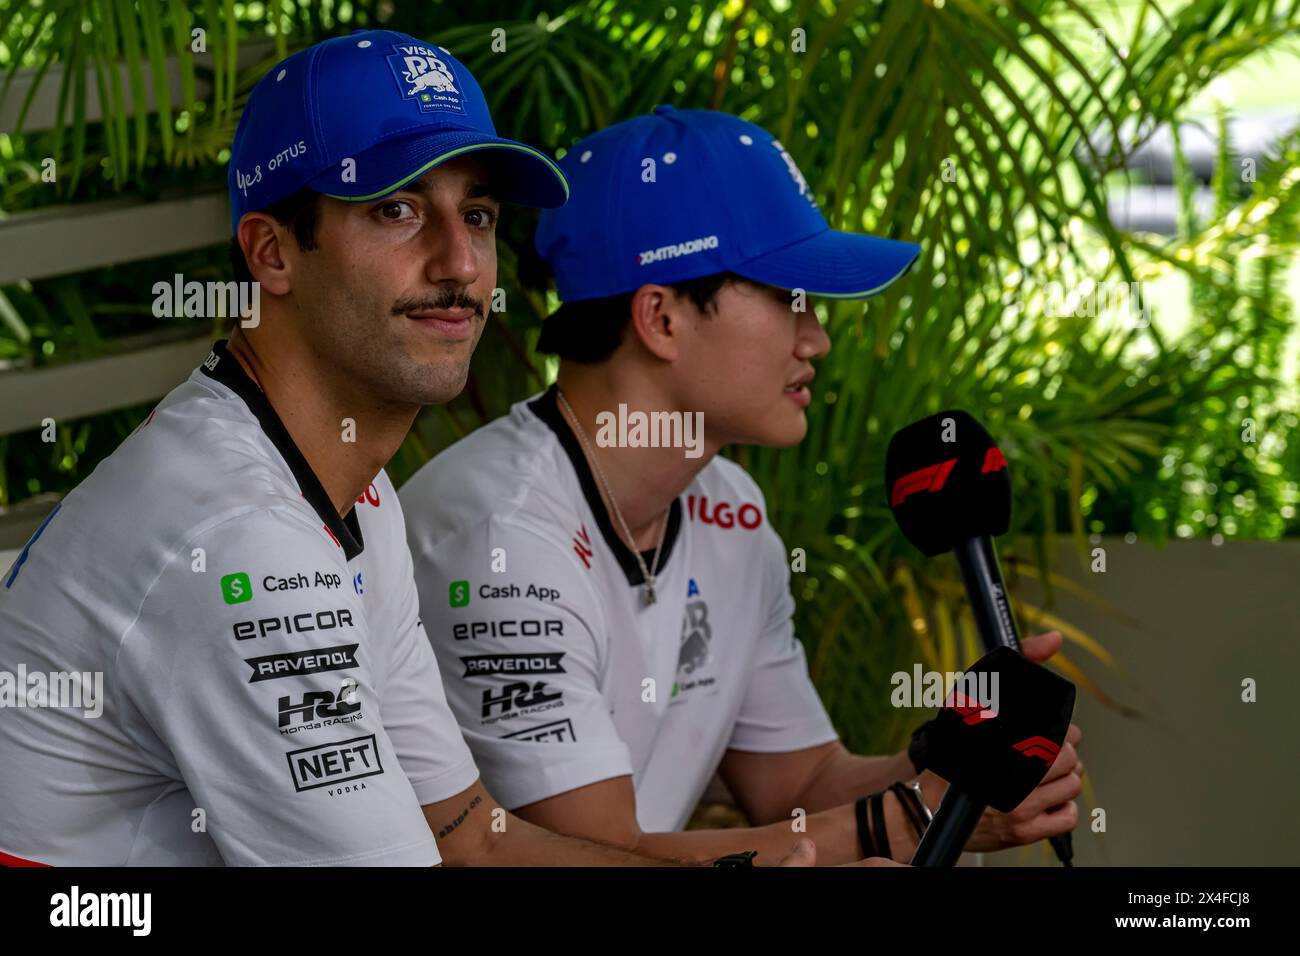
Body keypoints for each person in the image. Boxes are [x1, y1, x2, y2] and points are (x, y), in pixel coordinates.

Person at [0, 34, 830, 868]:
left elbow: (468, 833)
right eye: (395, 208)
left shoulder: (349, 490)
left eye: (476, 215)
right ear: (271, 251)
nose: (462, 263)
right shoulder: (240, 537)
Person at [400, 107, 1085, 865]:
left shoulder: (730, 507)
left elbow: (803, 781)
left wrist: (957, 758)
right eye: (791, 296)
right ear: (660, 317)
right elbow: (592, 856)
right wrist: (901, 819)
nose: (817, 336)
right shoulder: (501, 538)